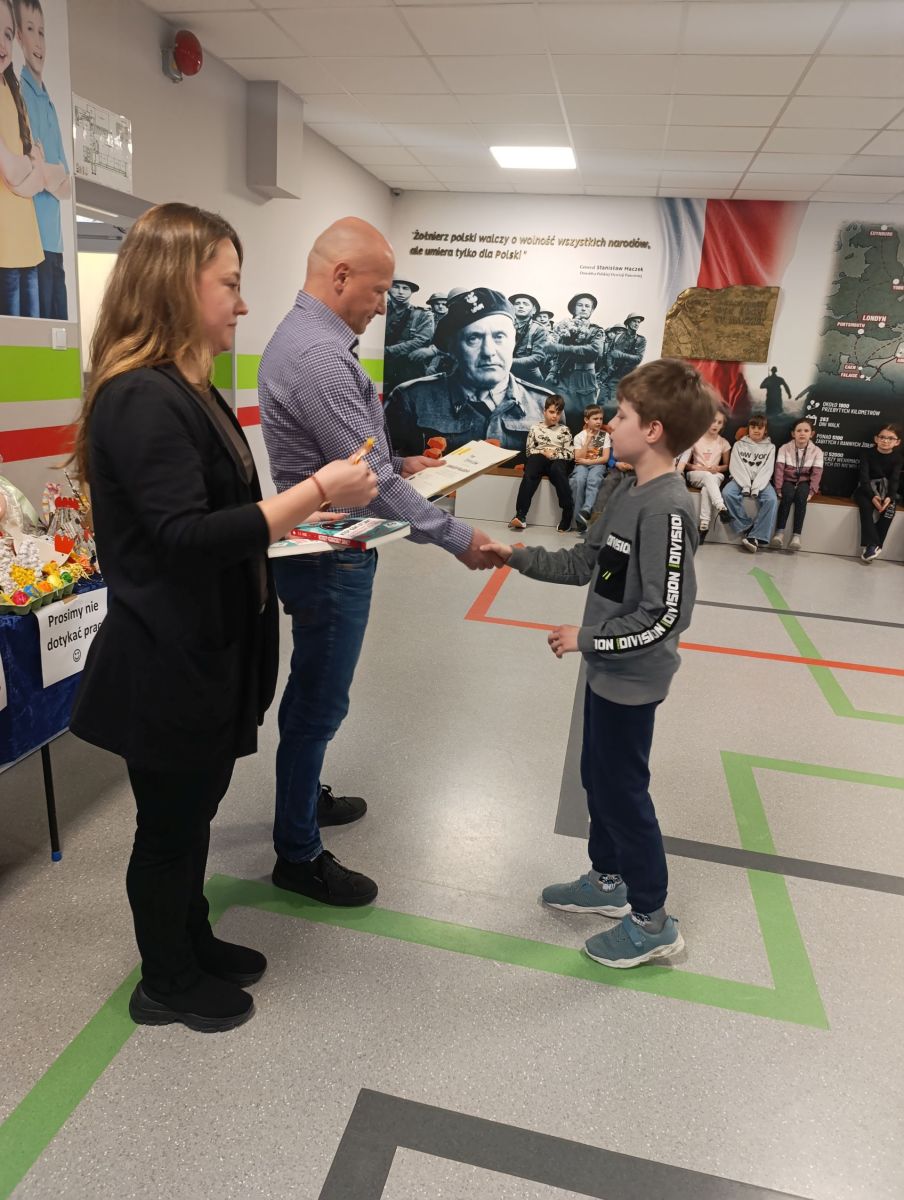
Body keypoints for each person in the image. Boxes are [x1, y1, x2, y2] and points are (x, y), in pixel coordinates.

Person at [68, 204, 378, 1034]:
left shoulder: (187, 388)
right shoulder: (141, 397)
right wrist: (315, 491)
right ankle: (165, 980)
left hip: (203, 657)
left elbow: (220, 516)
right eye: (229, 283)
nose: (243, 303)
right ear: (176, 284)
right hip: (164, 664)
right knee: (168, 831)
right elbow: (182, 538)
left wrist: (300, 512)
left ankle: (190, 938)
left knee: (193, 817)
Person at [258, 219, 501, 909]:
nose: (384, 304)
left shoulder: (313, 343)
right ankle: (298, 853)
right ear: (340, 276)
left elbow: (365, 462)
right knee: (319, 701)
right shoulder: (317, 357)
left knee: (316, 695)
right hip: (327, 556)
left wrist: (408, 464)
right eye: (379, 289)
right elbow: (370, 484)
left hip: (333, 545)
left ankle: (304, 796)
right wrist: (457, 538)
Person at [481, 359, 718, 967]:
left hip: (632, 677)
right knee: (597, 778)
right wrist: (513, 555)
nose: (610, 424)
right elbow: (587, 565)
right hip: (606, 669)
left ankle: (652, 921)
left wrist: (588, 639)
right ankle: (608, 880)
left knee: (623, 794)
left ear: (654, 430)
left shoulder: (667, 509)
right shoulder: (622, 488)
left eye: (623, 416)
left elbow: (665, 615)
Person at [385, 287, 554, 459]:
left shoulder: (545, 405)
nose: (489, 352)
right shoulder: (410, 399)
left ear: (513, 342)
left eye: (499, 336)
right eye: (474, 338)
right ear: (452, 349)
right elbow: (382, 464)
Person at [16, 0, 70, 318]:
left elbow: (66, 186)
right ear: (19, 37)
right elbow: (35, 174)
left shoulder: (48, 101)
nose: (38, 41)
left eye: (42, 32)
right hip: (33, 246)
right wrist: (50, 173)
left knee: (60, 333)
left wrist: (49, 171)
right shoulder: (19, 96)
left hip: (55, 246)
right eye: (30, 30)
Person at [0, 0, 44, 317]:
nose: (2, 44)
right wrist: (27, 165)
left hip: (29, 244)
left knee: (37, 340)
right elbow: (15, 172)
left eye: (6, 34)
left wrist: (26, 169)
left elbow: (36, 179)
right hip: (4, 252)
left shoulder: (13, 92)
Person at [508, 394, 574, 533]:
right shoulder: (535, 428)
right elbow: (529, 451)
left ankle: (567, 513)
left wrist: (554, 454)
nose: (555, 416)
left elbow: (570, 454)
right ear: (544, 411)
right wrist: (544, 452)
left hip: (557, 460)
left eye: (558, 413)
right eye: (551, 412)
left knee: (558, 470)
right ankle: (520, 515)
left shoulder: (564, 430)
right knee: (532, 466)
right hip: (539, 458)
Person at [544, 293, 607, 432]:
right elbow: (559, 355)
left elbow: (595, 350)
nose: (583, 308)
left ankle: (586, 445)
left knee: (586, 418)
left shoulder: (596, 330)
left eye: (587, 306)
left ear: (592, 310)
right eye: (580, 305)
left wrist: (564, 348)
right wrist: (552, 373)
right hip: (563, 377)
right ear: (573, 308)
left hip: (584, 379)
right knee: (559, 416)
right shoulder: (564, 328)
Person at [722, 414, 778, 553]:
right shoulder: (739, 445)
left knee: (771, 499)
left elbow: (767, 470)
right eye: (753, 427)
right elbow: (736, 467)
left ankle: (756, 536)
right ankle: (746, 526)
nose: (756, 430)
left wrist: (756, 487)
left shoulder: (770, 447)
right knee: (727, 493)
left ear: (765, 430)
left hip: (762, 481)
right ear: (749, 429)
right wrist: (746, 485)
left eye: (760, 428)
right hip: (740, 479)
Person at [770, 418, 824, 551]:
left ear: (812, 434)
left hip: (804, 481)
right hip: (788, 480)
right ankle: (779, 533)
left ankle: (796, 536)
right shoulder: (784, 448)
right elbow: (779, 470)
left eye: (806, 431)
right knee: (787, 496)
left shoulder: (817, 451)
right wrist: (778, 488)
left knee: (801, 498)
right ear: (793, 433)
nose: (802, 433)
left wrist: (812, 490)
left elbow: (817, 473)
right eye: (799, 430)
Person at [678, 407, 730, 541]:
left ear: (722, 426)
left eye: (719, 422)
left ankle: (703, 526)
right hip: (696, 474)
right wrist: (698, 467)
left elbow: (726, 466)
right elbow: (685, 463)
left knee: (707, 487)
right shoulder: (695, 439)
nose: (715, 425)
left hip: (715, 475)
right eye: (713, 421)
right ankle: (721, 507)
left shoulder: (723, 443)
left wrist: (717, 468)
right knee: (707, 477)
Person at [854, 423, 902, 563]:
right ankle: (874, 545)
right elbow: (864, 478)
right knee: (866, 507)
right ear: (876, 439)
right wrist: (873, 496)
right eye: (882, 437)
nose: (885, 441)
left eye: (890, 438)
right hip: (866, 490)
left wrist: (889, 497)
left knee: (889, 510)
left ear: (897, 442)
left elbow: (895, 479)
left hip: (886, 491)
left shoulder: (898, 458)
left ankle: (872, 546)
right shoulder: (866, 454)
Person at [383, 277, 434, 394]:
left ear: (411, 292)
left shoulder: (422, 314)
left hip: (409, 369)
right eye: (396, 287)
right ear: (389, 289)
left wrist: (387, 351)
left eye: (405, 288)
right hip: (381, 367)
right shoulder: (379, 312)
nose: (400, 292)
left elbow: (421, 340)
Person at [570, 403, 610, 532]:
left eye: (601, 419)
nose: (599, 422)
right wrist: (587, 441)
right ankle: (579, 520)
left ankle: (586, 510)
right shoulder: (579, 437)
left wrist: (588, 462)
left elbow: (605, 458)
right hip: (581, 465)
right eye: (595, 419)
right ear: (586, 420)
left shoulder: (604, 436)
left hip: (597, 465)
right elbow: (578, 457)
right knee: (578, 481)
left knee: (594, 479)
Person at [598, 314, 646, 418]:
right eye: (634, 321)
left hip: (627, 376)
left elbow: (638, 359)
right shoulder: (618, 337)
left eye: (638, 322)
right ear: (628, 322)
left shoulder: (640, 340)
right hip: (612, 374)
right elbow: (610, 353)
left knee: (615, 405)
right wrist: (610, 366)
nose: (637, 324)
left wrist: (621, 355)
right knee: (602, 403)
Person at [508, 291, 548, 385]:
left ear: (533, 310)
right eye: (517, 303)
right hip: (506, 372)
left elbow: (537, 358)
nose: (521, 306)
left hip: (529, 376)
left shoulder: (538, 329)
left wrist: (508, 361)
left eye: (525, 304)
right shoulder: (506, 325)